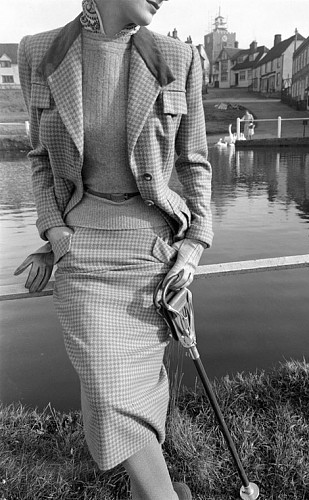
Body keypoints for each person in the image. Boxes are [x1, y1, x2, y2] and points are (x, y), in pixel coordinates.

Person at [15, 1, 213, 499]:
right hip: (81, 251)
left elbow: (195, 161)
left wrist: (193, 245)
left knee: (136, 391)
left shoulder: (179, 57)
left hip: (152, 253)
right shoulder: (39, 52)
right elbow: (40, 160)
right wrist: (55, 234)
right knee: (106, 389)